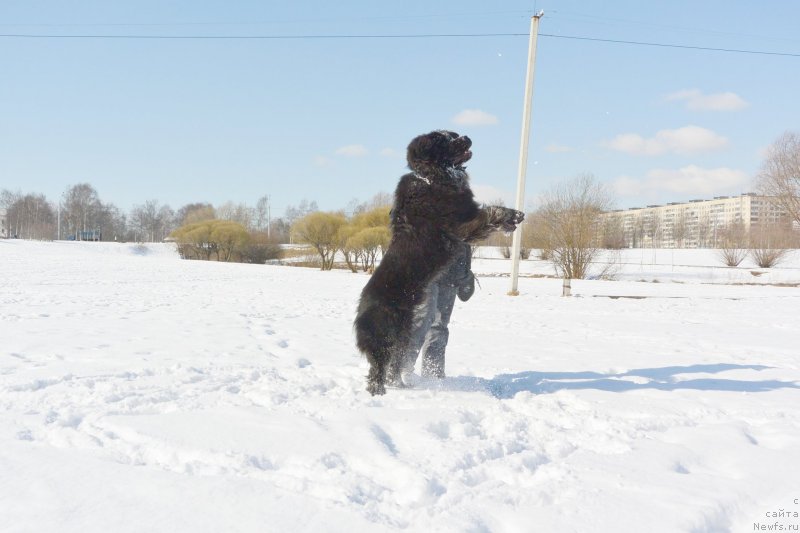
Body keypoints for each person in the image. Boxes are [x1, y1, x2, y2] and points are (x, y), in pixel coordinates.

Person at [401, 242, 475, 382]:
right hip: (428, 273)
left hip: (452, 277)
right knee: (422, 321)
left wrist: (465, 272)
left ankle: (433, 374)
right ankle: (402, 367)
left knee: (439, 327)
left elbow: (469, 236)